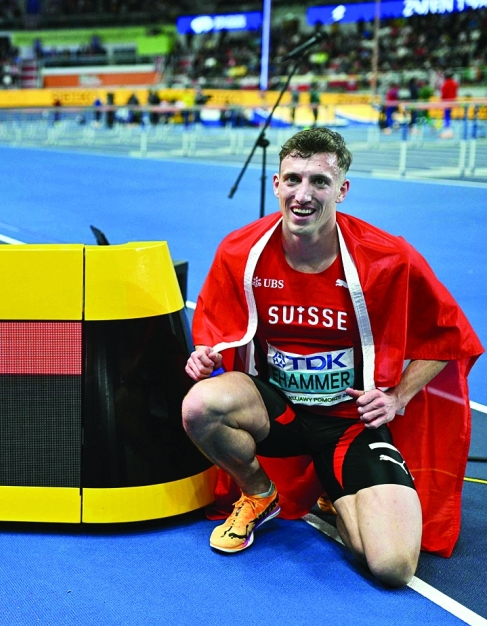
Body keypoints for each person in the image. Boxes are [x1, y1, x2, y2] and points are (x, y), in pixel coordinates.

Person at [182, 128, 481, 587]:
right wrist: (204, 357)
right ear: (277, 183)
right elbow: (215, 332)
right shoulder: (241, 252)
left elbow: (448, 335)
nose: (304, 195)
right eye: (294, 179)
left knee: (392, 567)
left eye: (319, 182)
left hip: (350, 425)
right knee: (200, 404)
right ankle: (260, 493)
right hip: (276, 414)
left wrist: (399, 397)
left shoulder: (387, 257)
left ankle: (334, 490)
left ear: (341, 189)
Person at [440, 71, 458, 139]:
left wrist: (442, 99)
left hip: (447, 101)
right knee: (449, 115)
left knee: (446, 116)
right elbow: (455, 92)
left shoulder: (446, 83)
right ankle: (449, 129)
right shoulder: (454, 83)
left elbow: (443, 93)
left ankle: (448, 130)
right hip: (452, 101)